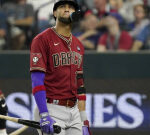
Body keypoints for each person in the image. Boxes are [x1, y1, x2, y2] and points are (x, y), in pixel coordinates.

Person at [30, 0, 91, 135]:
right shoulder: (42, 39)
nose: (67, 9)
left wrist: (84, 120)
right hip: (52, 108)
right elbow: (36, 79)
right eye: (62, 6)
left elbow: (80, 85)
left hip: (74, 111)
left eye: (71, 7)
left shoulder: (78, 44)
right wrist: (44, 114)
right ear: (54, 13)